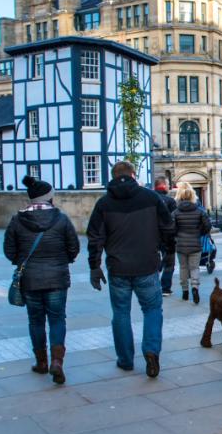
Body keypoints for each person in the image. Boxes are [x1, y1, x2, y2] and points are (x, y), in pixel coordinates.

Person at [88, 161, 174, 378]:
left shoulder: (104, 204)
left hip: (118, 267)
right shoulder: (151, 198)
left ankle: (125, 359)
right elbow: (167, 227)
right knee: (153, 310)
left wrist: (94, 266)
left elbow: (95, 237)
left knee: (121, 313)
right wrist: (168, 251)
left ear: (113, 176)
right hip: (147, 264)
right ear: (134, 175)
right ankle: (151, 351)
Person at [4, 176, 79, 384]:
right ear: (49, 197)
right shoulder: (61, 219)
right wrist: (64, 260)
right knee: (57, 318)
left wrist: (21, 261)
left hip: (30, 279)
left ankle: (41, 362)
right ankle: (57, 362)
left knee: (35, 320)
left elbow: (9, 251)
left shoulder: (17, 220)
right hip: (57, 278)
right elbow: (74, 247)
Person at [172, 181, 211, 304]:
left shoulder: (175, 212)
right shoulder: (199, 211)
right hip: (195, 243)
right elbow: (208, 226)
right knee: (194, 268)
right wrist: (199, 232)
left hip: (181, 244)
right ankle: (195, 287)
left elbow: (171, 229)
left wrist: (177, 236)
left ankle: (185, 291)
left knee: (183, 267)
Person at [154, 178, 177, 296]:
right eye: (168, 184)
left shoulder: (150, 199)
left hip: (152, 237)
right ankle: (165, 287)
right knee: (169, 263)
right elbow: (174, 220)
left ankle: (154, 285)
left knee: (154, 262)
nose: (169, 186)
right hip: (168, 237)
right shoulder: (170, 201)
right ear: (163, 186)